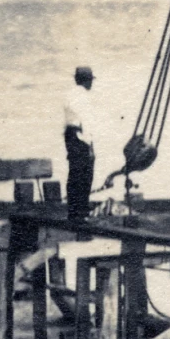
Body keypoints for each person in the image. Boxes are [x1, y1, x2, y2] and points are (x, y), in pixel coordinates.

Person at [63, 66, 97, 222]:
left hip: (69, 134)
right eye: (90, 80)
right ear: (87, 81)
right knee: (85, 174)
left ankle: (73, 211)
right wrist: (90, 146)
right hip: (80, 135)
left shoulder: (70, 94)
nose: (91, 84)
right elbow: (87, 122)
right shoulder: (84, 96)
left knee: (74, 174)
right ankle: (82, 212)